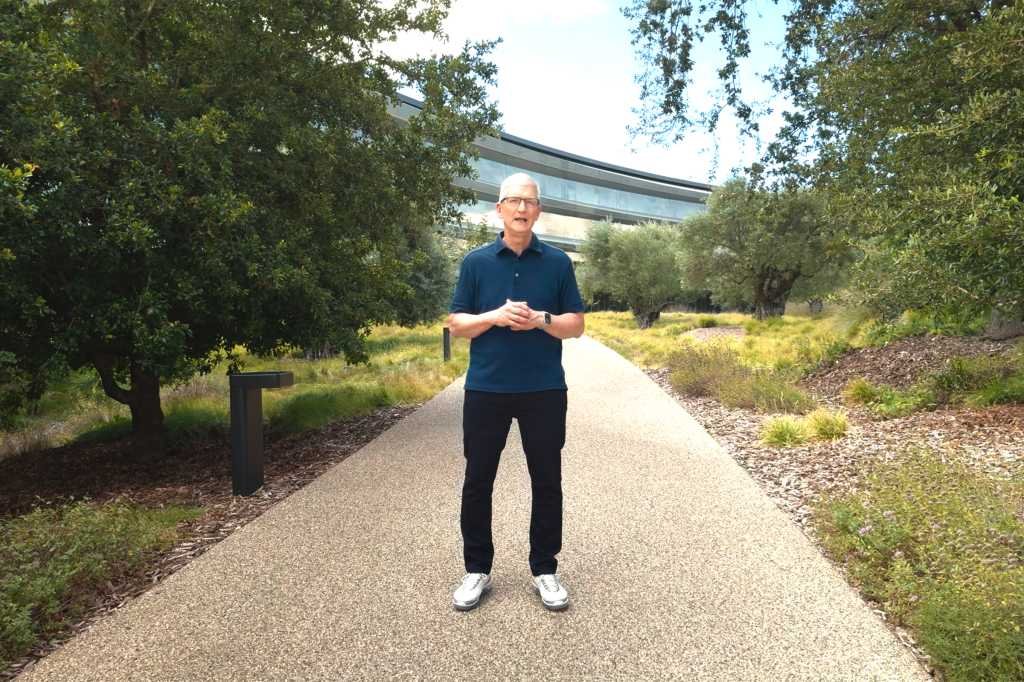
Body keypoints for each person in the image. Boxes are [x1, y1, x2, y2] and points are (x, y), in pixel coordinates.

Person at [447, 172, 585, 612]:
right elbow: (457, 324)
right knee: (477, 480)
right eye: (513, 201)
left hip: (544, 389)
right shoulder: (476, 263)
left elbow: (576, 326)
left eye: (529, 202)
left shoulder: (559, 264)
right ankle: (477, 570)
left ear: (538, 211)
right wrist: (495, 315)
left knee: (547, 480)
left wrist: (542, 319)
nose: (522, 209)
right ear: (499, 208)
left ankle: (545, 569)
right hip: (486, 389)